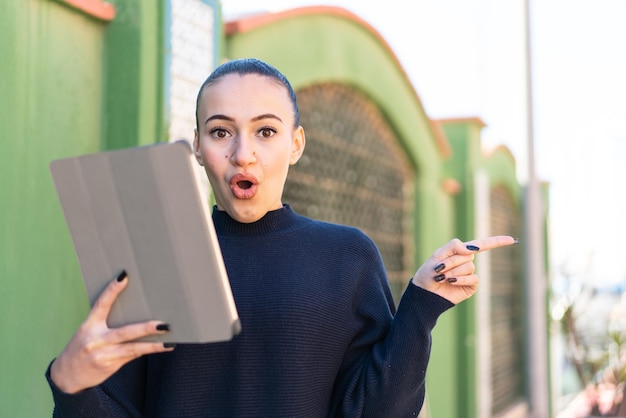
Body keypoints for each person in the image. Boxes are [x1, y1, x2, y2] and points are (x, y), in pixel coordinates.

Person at [46, 58, 517, 417]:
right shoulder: (153, 259)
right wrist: (71, 381)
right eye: (220, 132)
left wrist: (421, 305)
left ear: (295, 144)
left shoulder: (347, 257)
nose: (243, 154)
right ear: (197, 146)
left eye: (265, 131)